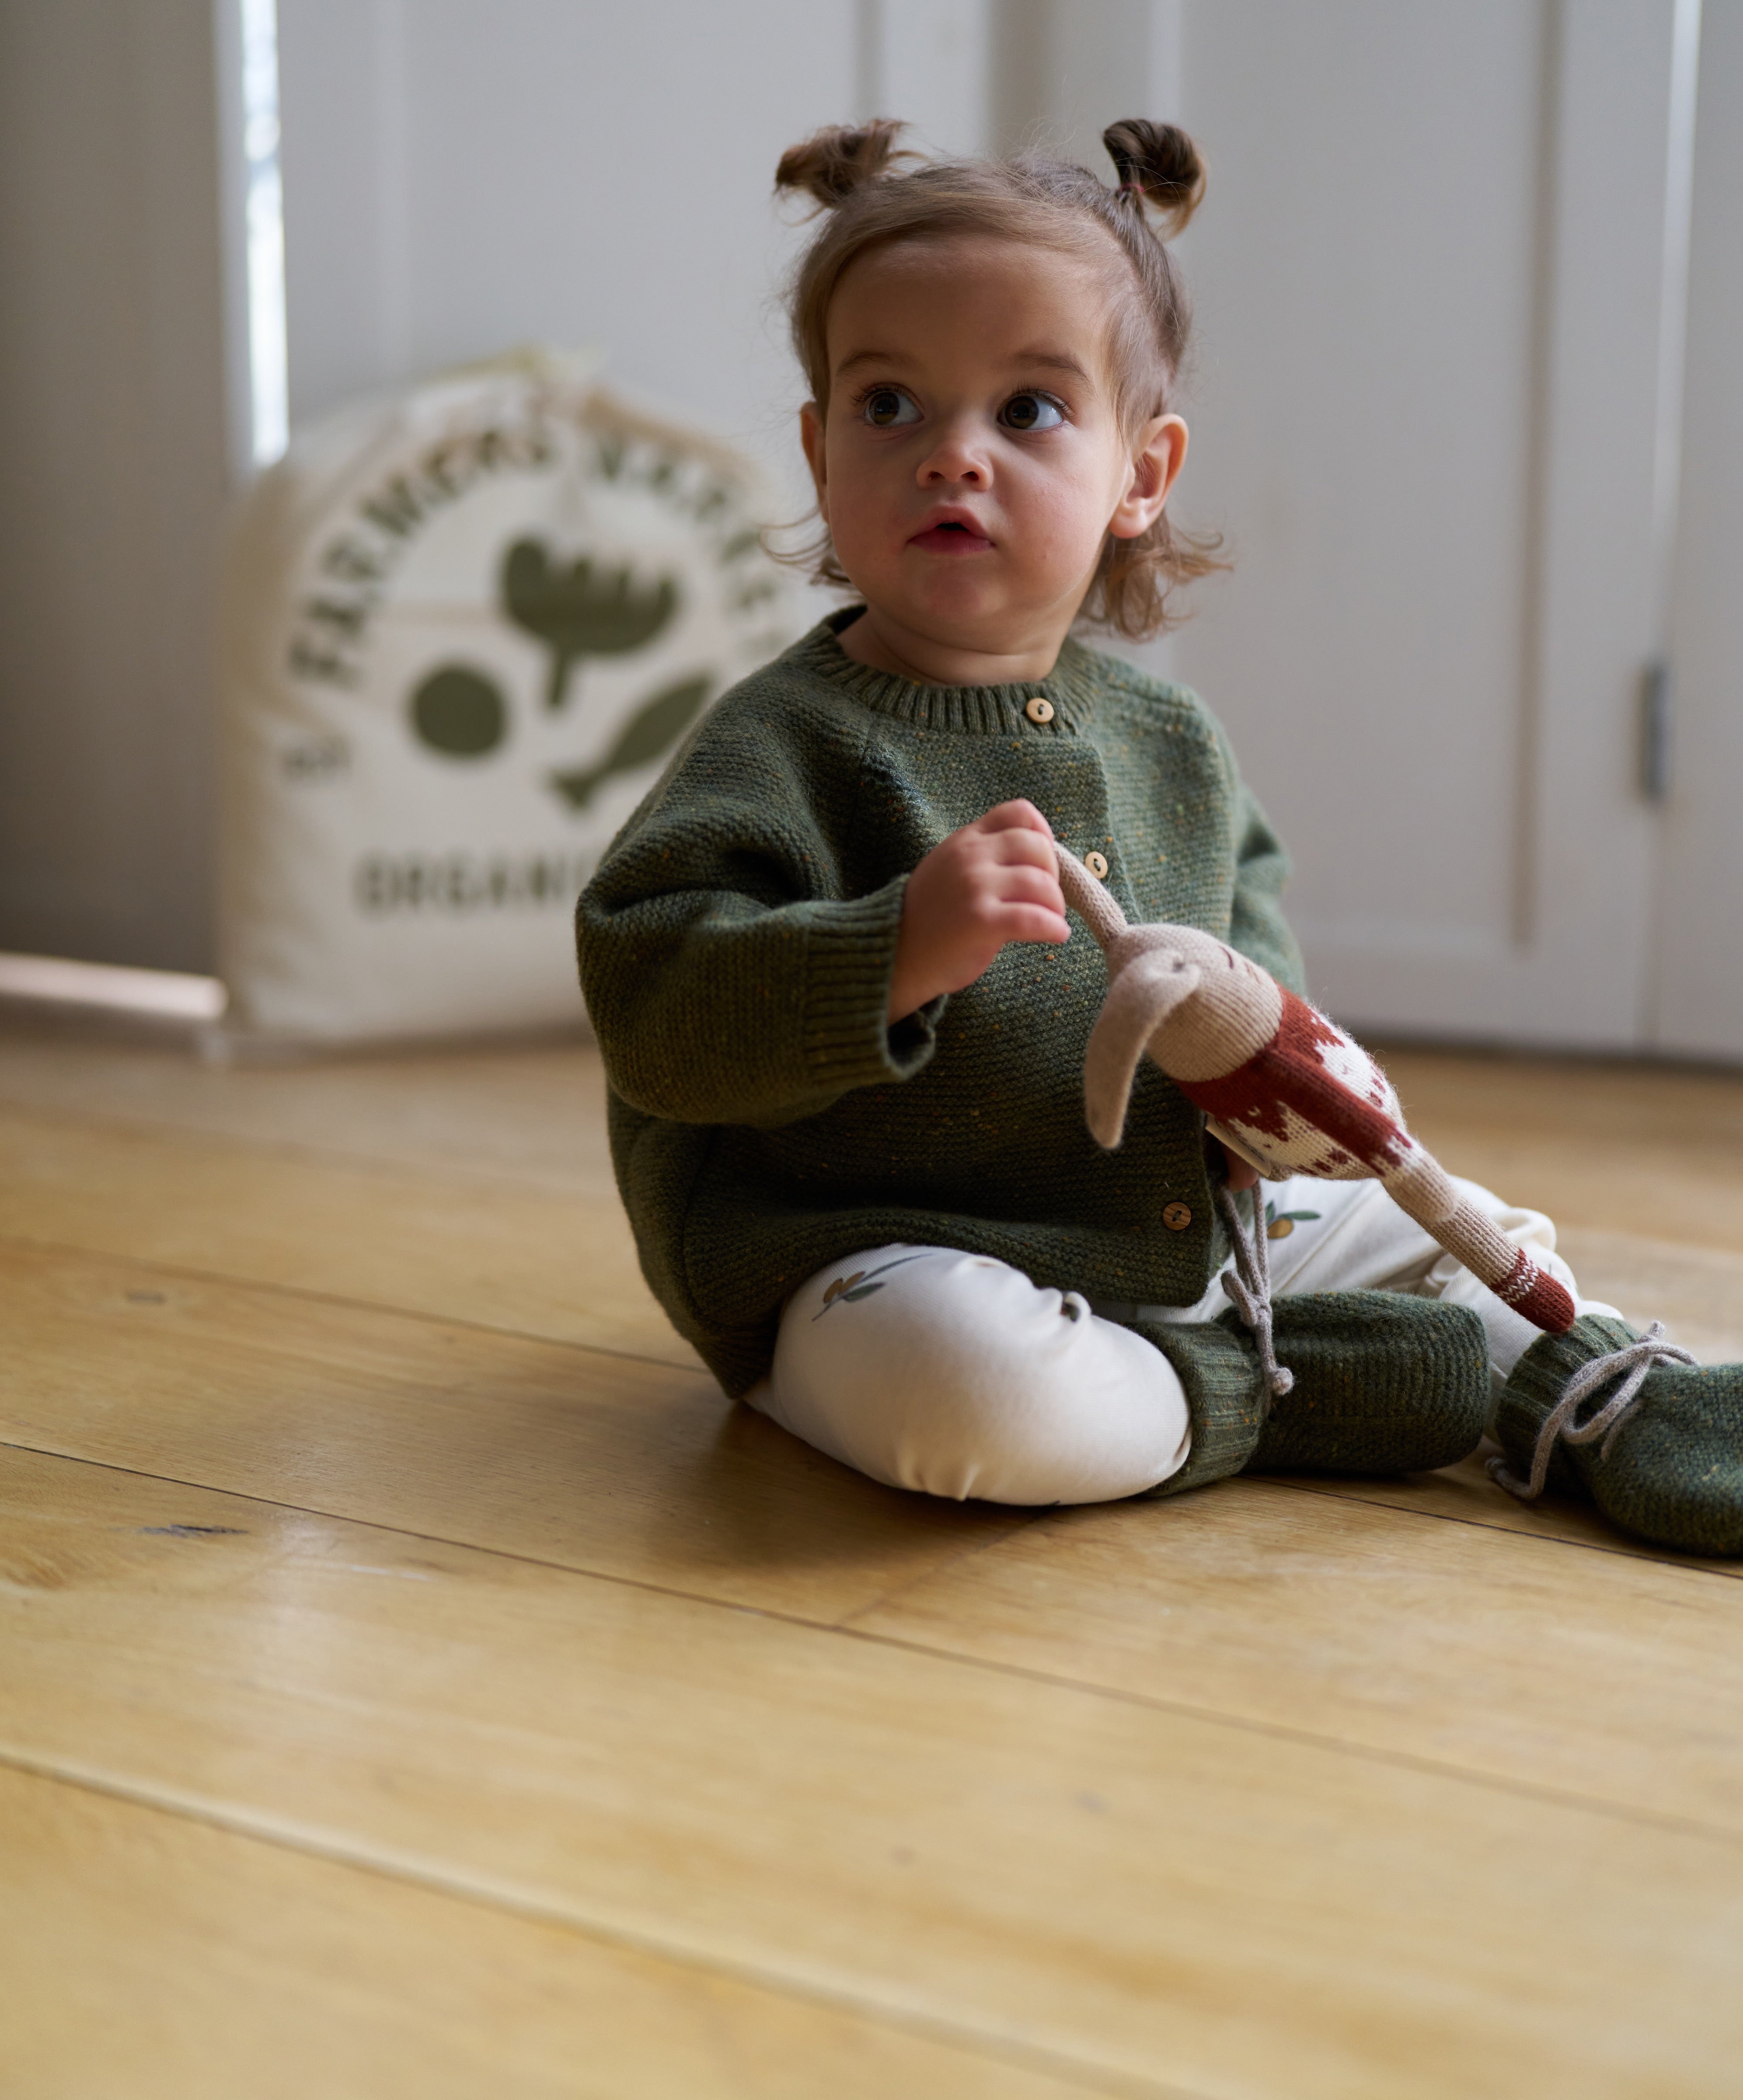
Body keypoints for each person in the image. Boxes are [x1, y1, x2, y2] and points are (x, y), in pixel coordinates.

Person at [577, 119, 1743, 1554]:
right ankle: (1252, 1395)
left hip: (1169, 1223)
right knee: (965, 1395)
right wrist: (891, 953)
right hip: (876, 1256)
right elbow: (654, 1009)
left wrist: (1259, 1085)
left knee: (1442, 1223)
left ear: (1144, 470)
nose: (953, 457)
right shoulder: (784, 745)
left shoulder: (1171, 743)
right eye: (890, 407)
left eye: (1028, 411)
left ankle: (1606, 1390)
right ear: (820, 452)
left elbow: (1251, 944)